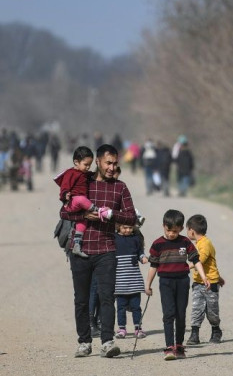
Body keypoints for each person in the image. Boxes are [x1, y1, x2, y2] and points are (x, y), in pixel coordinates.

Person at [61, 144, 137, 358]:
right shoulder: (83, 181)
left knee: (106, 297)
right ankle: (84, 342)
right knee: (81, 300)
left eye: (115, 163)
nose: (112, 168)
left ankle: (107, 342)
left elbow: (131, 217)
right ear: (98, 162)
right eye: (108, 163)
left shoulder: (120, 188)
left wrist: (112, 214)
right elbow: (64, 211)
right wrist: (84, 217)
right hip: (80, 249)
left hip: (106, 249)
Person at [145, 209, 210, 361]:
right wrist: (148, 285)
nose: (171, 234)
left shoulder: (185, 242)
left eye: (175, 231)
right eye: (169, 230)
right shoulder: (158, 244)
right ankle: (169, 347)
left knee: (180, 314)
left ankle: (179, 346)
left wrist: (204, 277)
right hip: (165, 283)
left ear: (181, 229)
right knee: (169, 314)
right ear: (163, 226)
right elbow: (153, 266)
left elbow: (196, 260)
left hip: (182, 281)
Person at [54, 146, 111, 258]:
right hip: (72, 203)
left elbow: (93, 175)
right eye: (86, 164)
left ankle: (77, 244)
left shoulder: (84, 173)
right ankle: (98, 210)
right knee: (80, 198)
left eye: (90, 165)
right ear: (76, 162)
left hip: (81, 207)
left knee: (82, 221)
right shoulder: (70, 173)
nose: (88, 167)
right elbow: (64, 186)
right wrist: (65, 195)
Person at [185, 214, 224, 345]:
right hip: (198, 283)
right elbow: (210, 265)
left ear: (191, 230)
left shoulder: (205, 244)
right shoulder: (198, 243)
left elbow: (200, 260)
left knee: (212, 311)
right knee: (196, 309)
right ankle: (194, 334)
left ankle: (216, 330)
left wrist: (186, 266)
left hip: (210, 284)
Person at [114, 222, 148, 339]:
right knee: (121, 308)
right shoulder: (114, 238)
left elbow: (139, 252)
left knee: (136, 307)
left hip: (134, 281)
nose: (128, 230)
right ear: (119, 226)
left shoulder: (135, 239)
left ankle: (138, 329)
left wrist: (143, 257)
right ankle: (122, 329)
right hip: (120, 282)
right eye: (125, 227)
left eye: (130, 227)